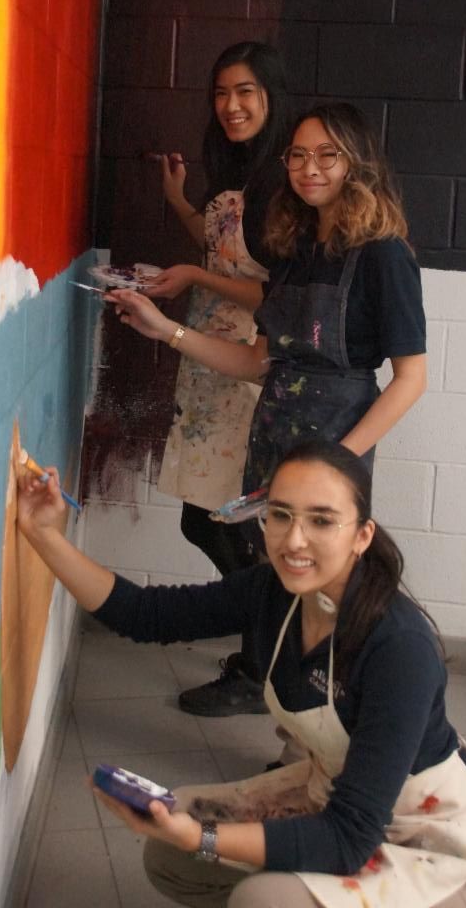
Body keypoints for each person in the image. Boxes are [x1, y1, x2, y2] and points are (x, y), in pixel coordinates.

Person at [16, 441, 466, 908]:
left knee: (259, 897)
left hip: (449, 859)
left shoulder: (399, 648)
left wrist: (204, 838)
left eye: (322, 521)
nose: (294, 540)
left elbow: (348, 838)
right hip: (339, 806)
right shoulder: (271, 592)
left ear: (362, 535)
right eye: (280, 515)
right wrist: (43, 534)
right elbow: (146, 614)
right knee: (171, 851)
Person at [107, 102, 427, 716]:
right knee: (282, 586)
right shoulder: (296, 247)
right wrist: (163, 330)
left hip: (335, 442)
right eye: (299, 155)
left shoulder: (385, 254)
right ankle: (294, 731)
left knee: (329, 593)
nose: (310, 169)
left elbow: (410, 380)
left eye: (327, 155)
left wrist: (338, 462)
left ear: (356, 163)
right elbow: (257, 362)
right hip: (275, 430)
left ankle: (336, 737)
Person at [146, 41, 292, 582]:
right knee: (215, 518)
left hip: (244, 371)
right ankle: (261, 636)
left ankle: (261, 639)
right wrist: (179, 199)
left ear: (271, 97)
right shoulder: (242, 170)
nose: (231, 105)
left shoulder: (280, 185)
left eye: (245, 92)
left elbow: (277, 299)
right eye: (221, 93)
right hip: (209, 363)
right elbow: (221, 247)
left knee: (217, 520)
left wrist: (193, 277)